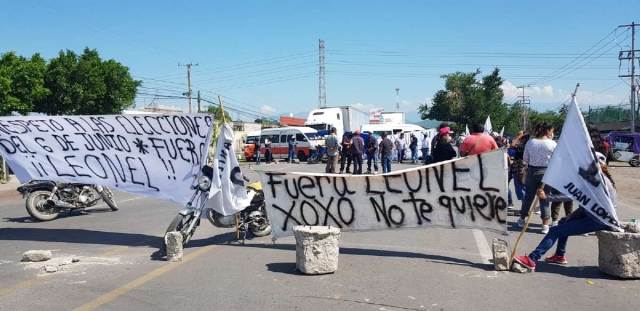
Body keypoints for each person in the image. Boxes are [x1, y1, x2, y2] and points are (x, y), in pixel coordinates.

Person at [514, 152, 616, 270]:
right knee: (563, 222)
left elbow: (571, 196)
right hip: (597, 216)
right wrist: (571, 216)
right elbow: (586, 204)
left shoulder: (596, 181)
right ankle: (559, 255)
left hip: (599, 220)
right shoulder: (599, 178)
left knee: (554, 231)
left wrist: (547, 197)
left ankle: (532, 259)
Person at [517, 122, 557, 234]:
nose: (552, 133)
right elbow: (556, 159)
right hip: (546, 172)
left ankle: (522, 219)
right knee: (544, 197)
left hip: (532, 171)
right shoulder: (552, 144)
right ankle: (545, 225)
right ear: (547, 131)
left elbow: (526, 158)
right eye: (551, 131)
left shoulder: (530, 142)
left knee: (529, 196)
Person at [509, 131, 530, 211]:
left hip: (519, 170)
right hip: (526, 169)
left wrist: (518, 137)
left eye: (521, 138)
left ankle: (524, 209)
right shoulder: (529, 146)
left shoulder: (522, 146)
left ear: (524, 139)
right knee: (524, 189)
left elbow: (512, 145)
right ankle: (524, 208)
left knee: (521, 189)